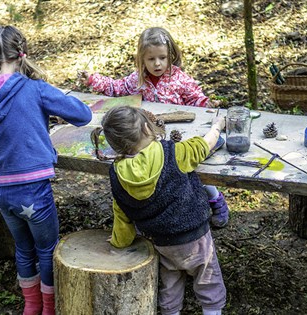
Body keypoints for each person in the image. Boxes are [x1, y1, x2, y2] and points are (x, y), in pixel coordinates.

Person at [0, 25, 92, 315]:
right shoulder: (35, 88)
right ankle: (49, 307)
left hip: (3, 193)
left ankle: (30, 305)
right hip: (34, 190)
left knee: (24, 248)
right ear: (22, 56)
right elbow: (84, 115)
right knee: (46, 248)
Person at [79, 26, 229, 228]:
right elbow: (115, 88)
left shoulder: (179, 78)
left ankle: (215, 200)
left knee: (193, 166)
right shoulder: (137, 80)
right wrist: (92, 79)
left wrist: (208, 105)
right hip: (150, 138)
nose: (157, 64)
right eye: (151, 59)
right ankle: (163, 208)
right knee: (162, 176)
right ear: (142, 59)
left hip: (180, 135)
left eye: (162, 57)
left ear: (170, 56)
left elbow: (196, 98)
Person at [91, 106, 227, 315]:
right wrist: (217, 127)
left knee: (170, 281)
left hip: (161, 241)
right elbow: (204, 145)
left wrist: (120, 241)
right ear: (148, 128)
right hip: (195, 236)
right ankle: (212, 311)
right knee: (207, 279)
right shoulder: (173, 152)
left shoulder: (116, 173)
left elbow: (121, 214)